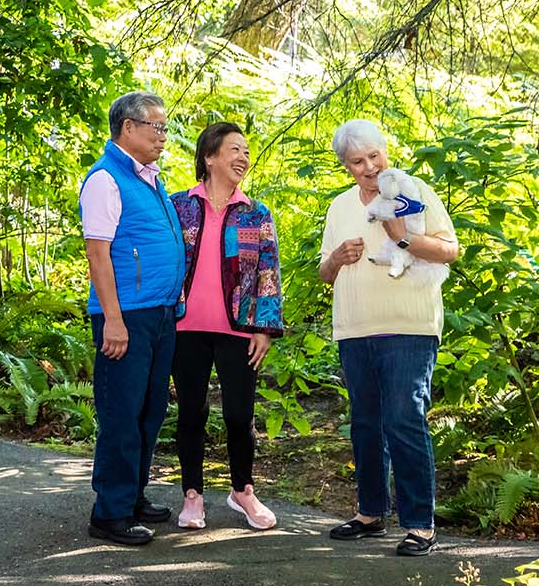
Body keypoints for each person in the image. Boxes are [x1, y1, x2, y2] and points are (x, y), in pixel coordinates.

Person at [318, 119, 458, 557]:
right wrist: (338, 258)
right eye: (357, 161)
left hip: (409, 326)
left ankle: (420, 524)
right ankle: (370, 512)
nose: (369, 167)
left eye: (374, 156)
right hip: (355, 328)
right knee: (365, 423)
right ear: (345, 165)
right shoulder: (339, 207)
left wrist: (403, 237)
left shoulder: (414, 190)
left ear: (386, 152)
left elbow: (450, 249)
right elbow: (324, 273)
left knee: (403, 419)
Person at [79, 91, 186, 545]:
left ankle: (133, 496)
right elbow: (98, 255)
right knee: (122, 413)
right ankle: (110, 513)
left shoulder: (149, 178)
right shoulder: (106, 179)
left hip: (160, 316)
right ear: (128, 128)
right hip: (126, 318)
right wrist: (115, 320)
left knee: (149, 411)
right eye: (157, 127)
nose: (164, 136)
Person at [168, 122, 284, 531]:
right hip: (186, 330)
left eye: (247, 152)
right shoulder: (177, 205)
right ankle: (193, 495)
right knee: (191, 414)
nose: (243, 158)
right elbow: (165, 262)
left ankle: (242, 491)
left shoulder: (257, 212)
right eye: (235, 149)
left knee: (239, 416)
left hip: (239, 330)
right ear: (209, 157)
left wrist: (264, 328)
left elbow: (268, 271)